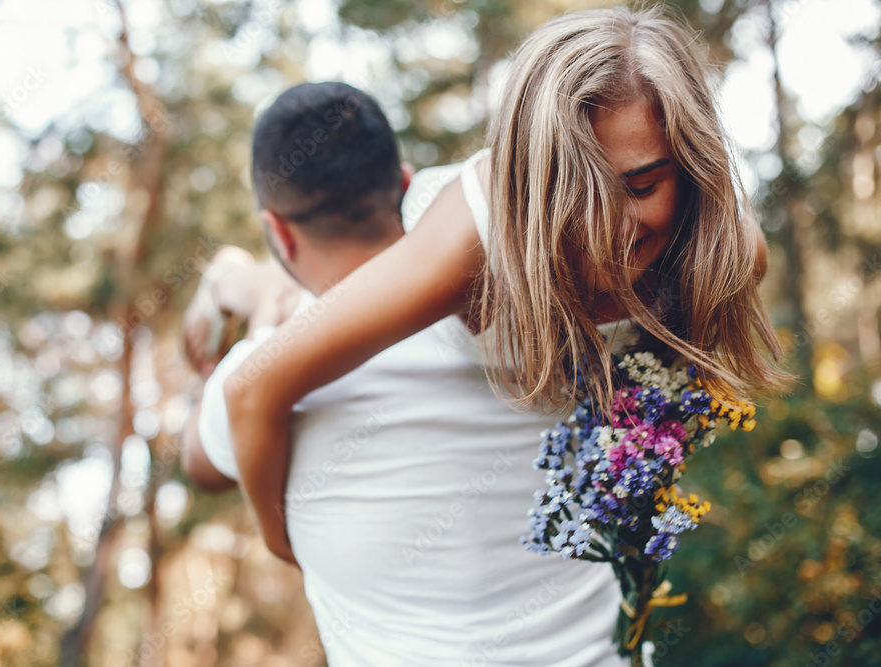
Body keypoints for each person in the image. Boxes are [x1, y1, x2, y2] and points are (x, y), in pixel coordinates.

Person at [223, 6, 788, 569]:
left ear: (692, 171)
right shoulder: (467, 247)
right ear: (528, 181)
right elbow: (252, 387)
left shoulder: (727, 255)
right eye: (575, 192)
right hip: (410, 245)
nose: (608, 229)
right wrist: (280, 539)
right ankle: (239, 274)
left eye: (641, 187)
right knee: (284, 293)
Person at [182, 81, 636, 665]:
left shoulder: (272, 367)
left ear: (280, 232)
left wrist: (247, 309)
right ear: (402, 182)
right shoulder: (546, 299)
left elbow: (198, 460)